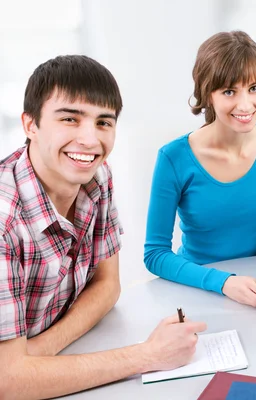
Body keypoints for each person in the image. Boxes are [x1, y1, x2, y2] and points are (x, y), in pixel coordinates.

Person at [0, 55, 206, 398]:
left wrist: (36, 354)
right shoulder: (5, 223)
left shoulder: (96, 176)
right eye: (70, 118)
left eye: (103, 123)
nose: (90, 140)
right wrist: (148, 355)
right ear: (30, 124)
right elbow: (7, 381)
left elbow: (108, 284)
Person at [144, 31, 256, 308]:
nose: (245, 105)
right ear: (207, 94)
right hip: (199, 287)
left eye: (254, 88)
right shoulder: (173, 158)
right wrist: (224, 283)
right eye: (229, 91)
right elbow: (155, 254)